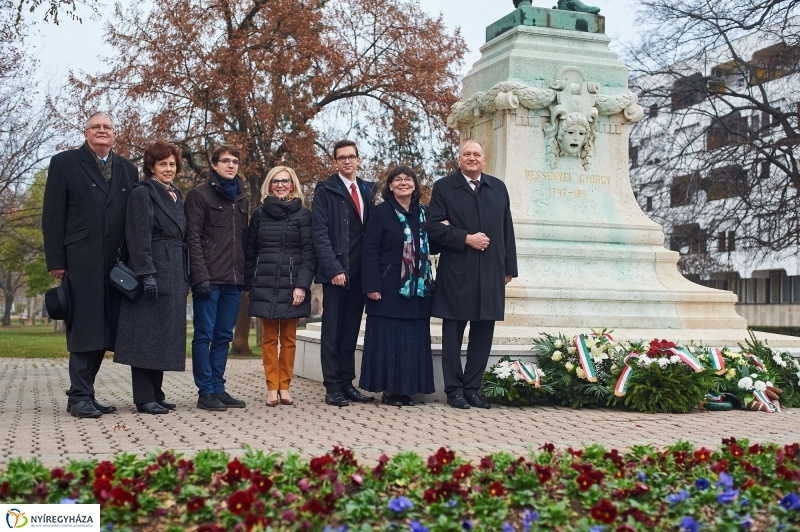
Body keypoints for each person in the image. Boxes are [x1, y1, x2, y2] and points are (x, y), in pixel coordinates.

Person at [42, 112, 139, 419]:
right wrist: (56, 259)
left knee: (104, 329)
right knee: (85, 327)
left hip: (115, 263)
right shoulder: (64, 163)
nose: (101, 131)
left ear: (114, 134)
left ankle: (85, 393)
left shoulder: (128, 168)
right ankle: (79, 396)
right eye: (95, 127)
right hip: (79, 260)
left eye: (107, 127)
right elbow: (52, 214)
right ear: (86, 133)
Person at [426, 140, 518, 410]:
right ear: (459, 159)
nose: (472, 158)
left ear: (484, 159)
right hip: (458, 271)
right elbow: (432, 227)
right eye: (467, 154)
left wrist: (509, 267)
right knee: (453, 333)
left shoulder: (498, 187)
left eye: (477, 154)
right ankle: (454, 391)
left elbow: (507, 229)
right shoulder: (444, 187)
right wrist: (465, 238)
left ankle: (473, 389)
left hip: (491, 271)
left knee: (483, 332)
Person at [113, 141, 190, 414]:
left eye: (172, 164)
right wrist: (146, 274)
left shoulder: (175, 195)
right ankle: (144, 397)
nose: (168, 169)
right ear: (151, 167)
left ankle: (156, 393)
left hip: (174, 271)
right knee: (145, 336)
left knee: (163, 336)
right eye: (162, 164)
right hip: (153, 269)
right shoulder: (143, 193)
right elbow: (138, 236)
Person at [359, 165, 435, 406]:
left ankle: (407, 389)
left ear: (415, 185)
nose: (403, 182)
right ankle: (390, 390)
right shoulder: (381, 212)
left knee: (412, 339)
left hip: (418, 290)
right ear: (390, 186)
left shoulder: (425, 213)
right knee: (389, 339)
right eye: (397, 179)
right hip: (388, 287)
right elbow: (369, 250)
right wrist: (372, 285)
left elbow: (435, 242)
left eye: (408, 179)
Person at [312, 140, 378, 407]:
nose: (347, 161)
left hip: (361, 273)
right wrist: (334, 269)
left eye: (351, 157)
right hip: (337, 272)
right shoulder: (326, 190)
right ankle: (332, 386)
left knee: (351, 330)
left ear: (359, 160)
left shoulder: (367, 190)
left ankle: (347, 382)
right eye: (342, 158)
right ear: (335, 162)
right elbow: (320, 234)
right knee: (332, 331)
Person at [244, 166, 316, 406]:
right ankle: (271, 387)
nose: (281, 185)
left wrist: (302, 286)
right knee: (268, 339)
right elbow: (250, 251)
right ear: (269, 185)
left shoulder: (304, 215)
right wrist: (249, 283)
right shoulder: (259, 214)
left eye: (285, 181)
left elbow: (309, 253)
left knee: (289, 338)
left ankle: (285, 386)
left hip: (292, 285)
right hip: (264, 283)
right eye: (276, 181)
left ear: (293, 185)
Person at [185, 146, 249, 411]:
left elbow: (244, 241)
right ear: (214, 165)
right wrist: (200, 277)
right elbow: (192, 238)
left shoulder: (242, 198)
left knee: (224, 336)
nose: (230, 165)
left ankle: (219, 388)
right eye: (225, 161)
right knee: (204, 335)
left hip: (234, 281)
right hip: (209, 280)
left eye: (235, 161)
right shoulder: (200, 195)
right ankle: (205, 391)